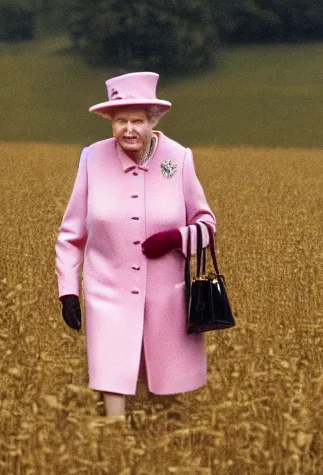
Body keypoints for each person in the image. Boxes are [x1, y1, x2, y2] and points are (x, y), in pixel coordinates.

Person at [55, 71, 217, 417]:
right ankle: (116, 447)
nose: (129, 129)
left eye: (138, 121)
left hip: (168, 298)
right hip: (107, 294)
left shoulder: (179, 159)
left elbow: (207, 225)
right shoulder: (91, 159)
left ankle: (164, 445)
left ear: (152, 121)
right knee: (112, 381)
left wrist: (176, 238)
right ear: (111, 123)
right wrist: (68, 291)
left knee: (168, 391)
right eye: (121, 121)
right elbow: (70, 234)